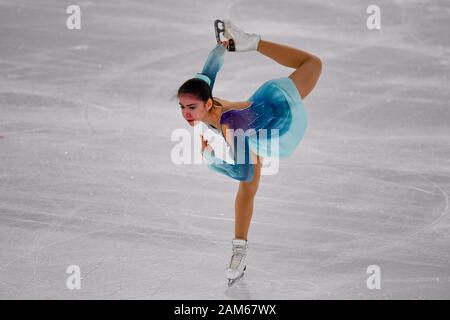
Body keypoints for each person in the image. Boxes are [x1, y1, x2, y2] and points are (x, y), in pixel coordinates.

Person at [177, 20, 322, 286]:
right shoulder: (204, 94)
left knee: (313, 63)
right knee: (312, 64)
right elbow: (209, 70)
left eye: (191, 107)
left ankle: (252, 42)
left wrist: (211, 161)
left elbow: (241, 172)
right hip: (260, 110)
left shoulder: (231, 124)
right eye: (183, 107)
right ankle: (238, 252)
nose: (186, 114)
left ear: (208, 103)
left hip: (280, 124)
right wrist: (221, 46)